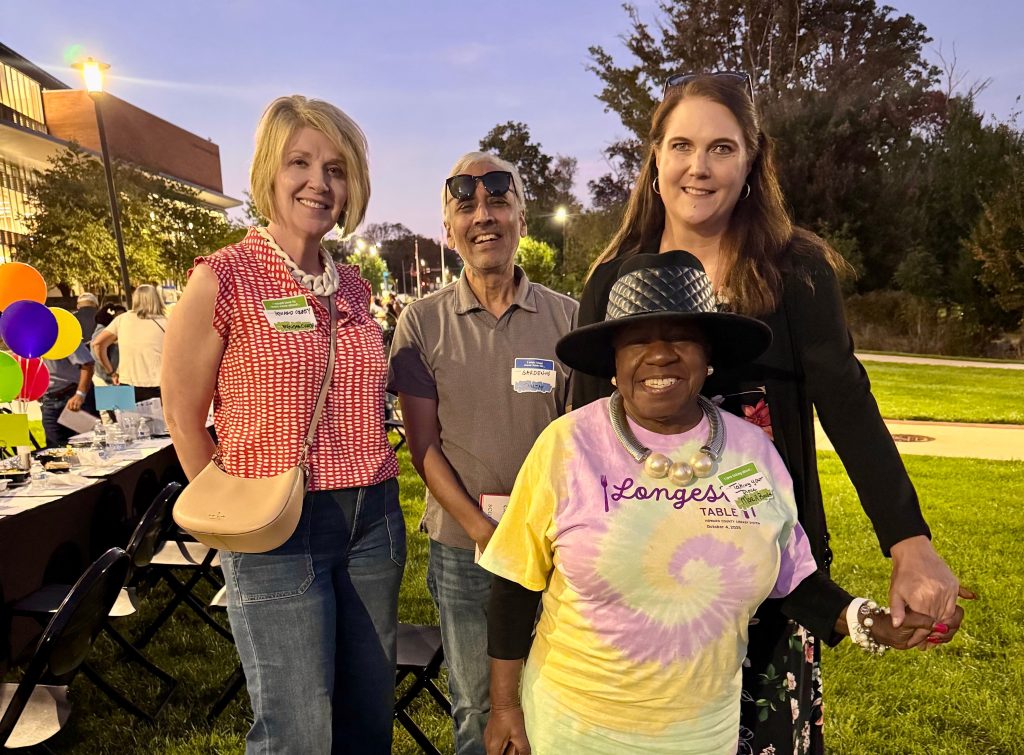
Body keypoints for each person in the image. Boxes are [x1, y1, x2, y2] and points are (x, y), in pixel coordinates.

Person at [571, 72, 969, 753]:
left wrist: (910, 542)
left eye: (722, 148)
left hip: (774, 585)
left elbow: (846, 401)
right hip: (648, 587)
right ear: (655, 156)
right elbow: (583, 439)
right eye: (682, 145)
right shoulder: (617, 277)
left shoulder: (795, 271)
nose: (699, 167)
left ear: (753, 159)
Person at [481, 252, 966, 755]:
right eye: (638, 340)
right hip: (575, 727)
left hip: (703, 732)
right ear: (613, 363)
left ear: (707, 357)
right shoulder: (567, 446)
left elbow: (790, 577)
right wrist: (503, 709)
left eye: (681, 337)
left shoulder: (751, 451)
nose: (661, 354)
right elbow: (515, 584)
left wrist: (873, 624)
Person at [162, 95, 403, 754]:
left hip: (374, 517)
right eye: (300, 162)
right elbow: (183, 416)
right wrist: (231, 507)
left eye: (336, 168)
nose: (319, 183)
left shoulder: (351, 287)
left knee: (366, 719)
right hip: (276, 526)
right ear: (269, 169)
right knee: (295, 728)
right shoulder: (224, 278)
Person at [388, 152, 578, 755]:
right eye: (465, 204)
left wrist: (543, 532)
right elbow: (423, 448)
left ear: (523, 215)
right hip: (464, 549)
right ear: (448, 228)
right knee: (476, 707)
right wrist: (483, 530)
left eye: (498, 200)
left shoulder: (568, 321)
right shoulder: (420, 323)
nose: (483, 216)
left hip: (556, 547)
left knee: (556, 696)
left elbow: (582, 443)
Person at [92, 284, 167, 402]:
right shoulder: (167, 323)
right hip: (160, 387)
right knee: (160, 420)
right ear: (157, 299)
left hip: (126, 383)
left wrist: (111, 372)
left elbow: (97, 344)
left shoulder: (121, 319)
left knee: (124, 419)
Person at [40, 342, 97, 448]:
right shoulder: (26, 343)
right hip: (49, 399)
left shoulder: (64, 336)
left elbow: (87, 365)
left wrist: (80, 394)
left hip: (73, 396)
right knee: (55, 448)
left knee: (86, 444)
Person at [91, 303, 127, 384]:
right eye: (119, 317)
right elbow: (97, 348)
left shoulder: (103, 331)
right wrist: (111, 373)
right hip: (108, 381)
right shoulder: (103, 333)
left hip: (110, 379)